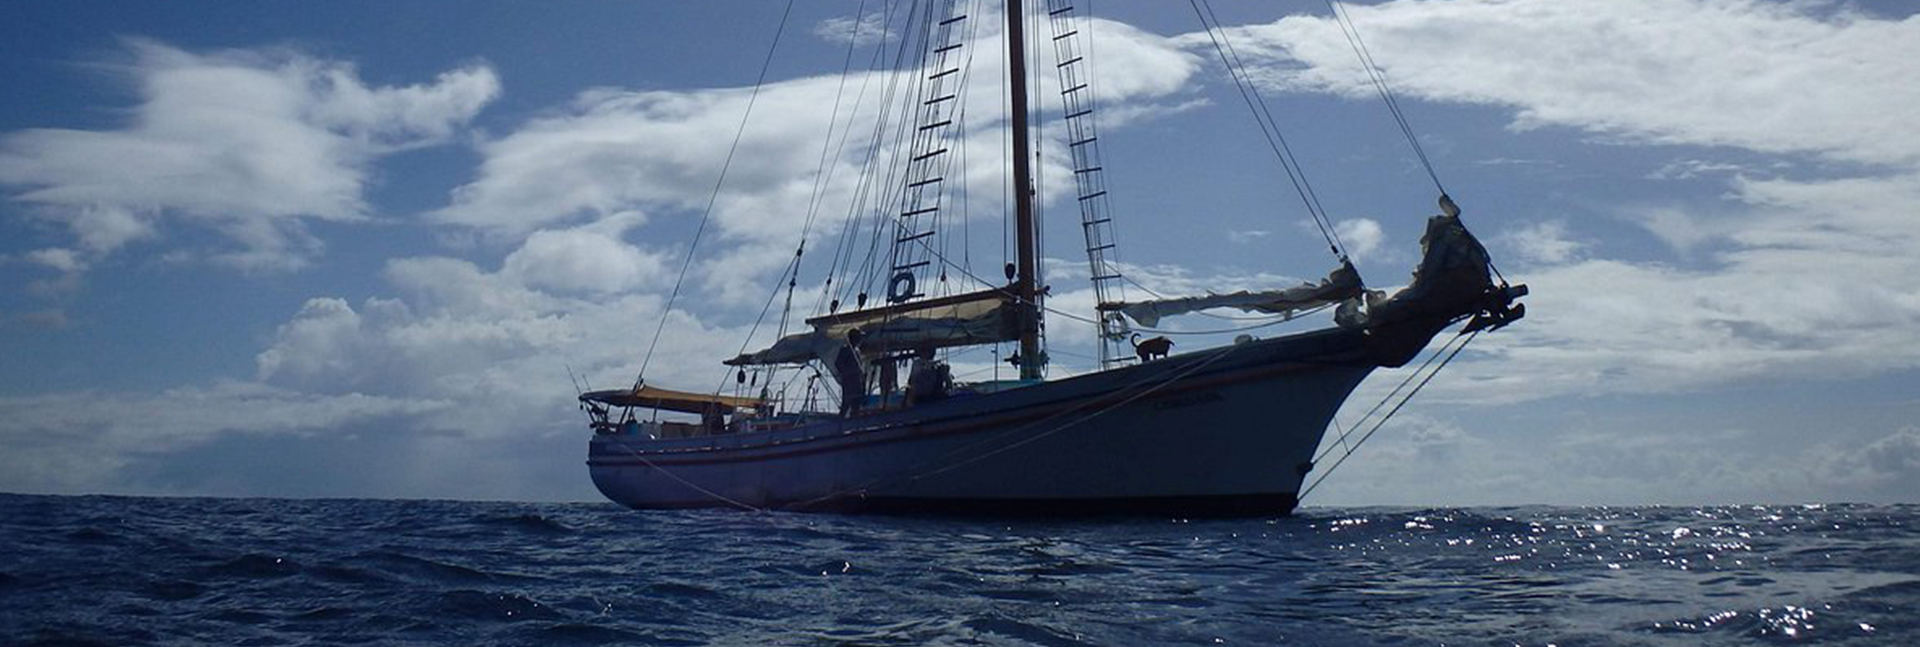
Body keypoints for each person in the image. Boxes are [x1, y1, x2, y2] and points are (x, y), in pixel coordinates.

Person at [834, 328, 866, 417]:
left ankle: (855, 422)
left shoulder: (857, 350)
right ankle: (840, 425)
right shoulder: (845, 349)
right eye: (859, 337)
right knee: (847, 403)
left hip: (857, 381)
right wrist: (851, 371)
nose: (860, 340)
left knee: (857, 404)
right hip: (849, 381)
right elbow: (838, 364)